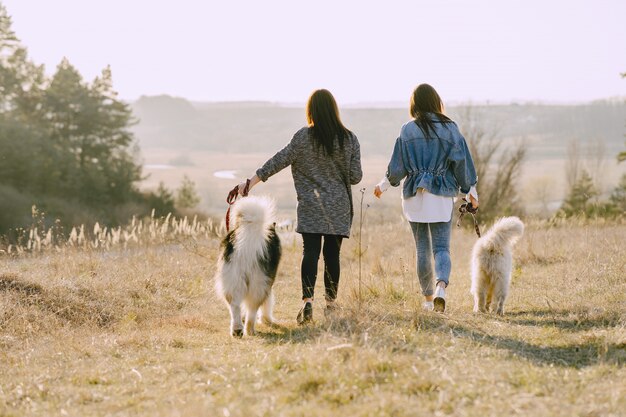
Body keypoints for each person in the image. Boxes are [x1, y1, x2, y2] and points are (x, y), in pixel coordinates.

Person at [237, 89, 362, 324]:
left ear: (311, 110)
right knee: (332, 255)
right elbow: (355, 177)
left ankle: (307, 302)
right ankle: (331, 305)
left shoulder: (303, 137)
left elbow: (279, 160)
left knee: (310, 253)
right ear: (334, 109)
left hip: (311, 205)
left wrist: (250, 182)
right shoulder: (349, 138)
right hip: (338, 206)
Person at [374, 83, 478, 312]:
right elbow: (463, 166)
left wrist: (383, 185)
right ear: (435, 101)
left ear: (415, 104)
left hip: (414, 196)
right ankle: (442, 287)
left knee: (422, 248)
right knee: (442, 248)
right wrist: (471, 192)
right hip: (441, 196)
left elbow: (397, 169)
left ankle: (428, 300)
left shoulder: (407, 130)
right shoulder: (450, 129)